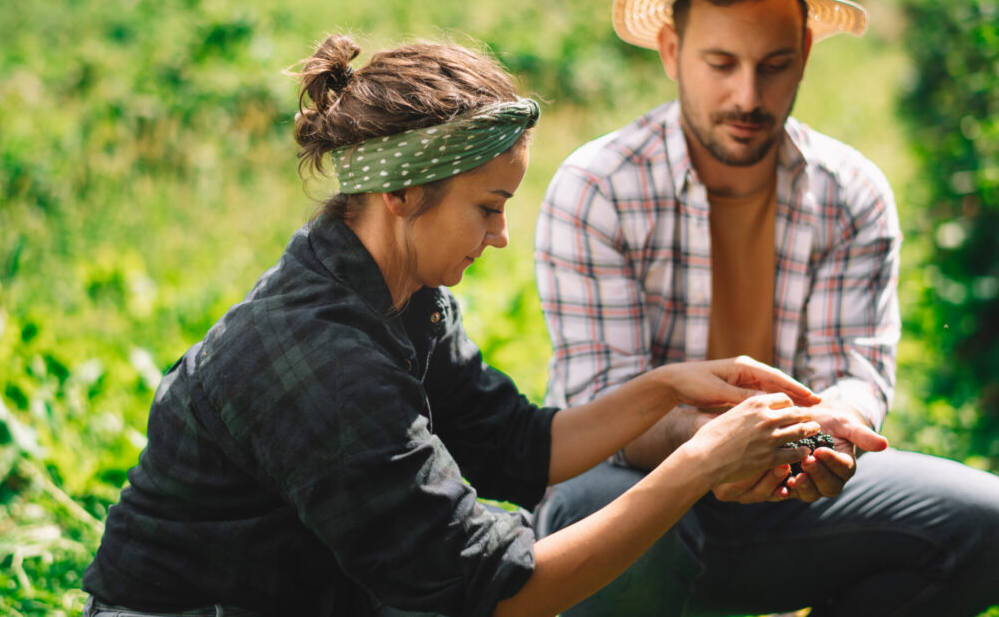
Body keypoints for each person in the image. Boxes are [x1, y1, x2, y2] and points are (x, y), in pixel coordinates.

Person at [79, 34, 826, 617]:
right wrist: (696, 468)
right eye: (488, 206)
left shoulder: (400, 297)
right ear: (402, 192)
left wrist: (668, 389)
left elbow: (520, 446)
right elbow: (493, 595)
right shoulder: (322, 358)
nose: (501, 235)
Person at [533, 0, 999, 615]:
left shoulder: (852, 192)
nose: (747, 95)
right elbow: (602, 409)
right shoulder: (597, 187)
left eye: (774, 65)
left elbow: (854, 372)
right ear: (671, 52)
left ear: (806, 54)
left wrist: (830, 432)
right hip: (633, 499)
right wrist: (713, 445)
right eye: (720, 63)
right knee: (588, 506)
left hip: (789, 501)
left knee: (985, 522)